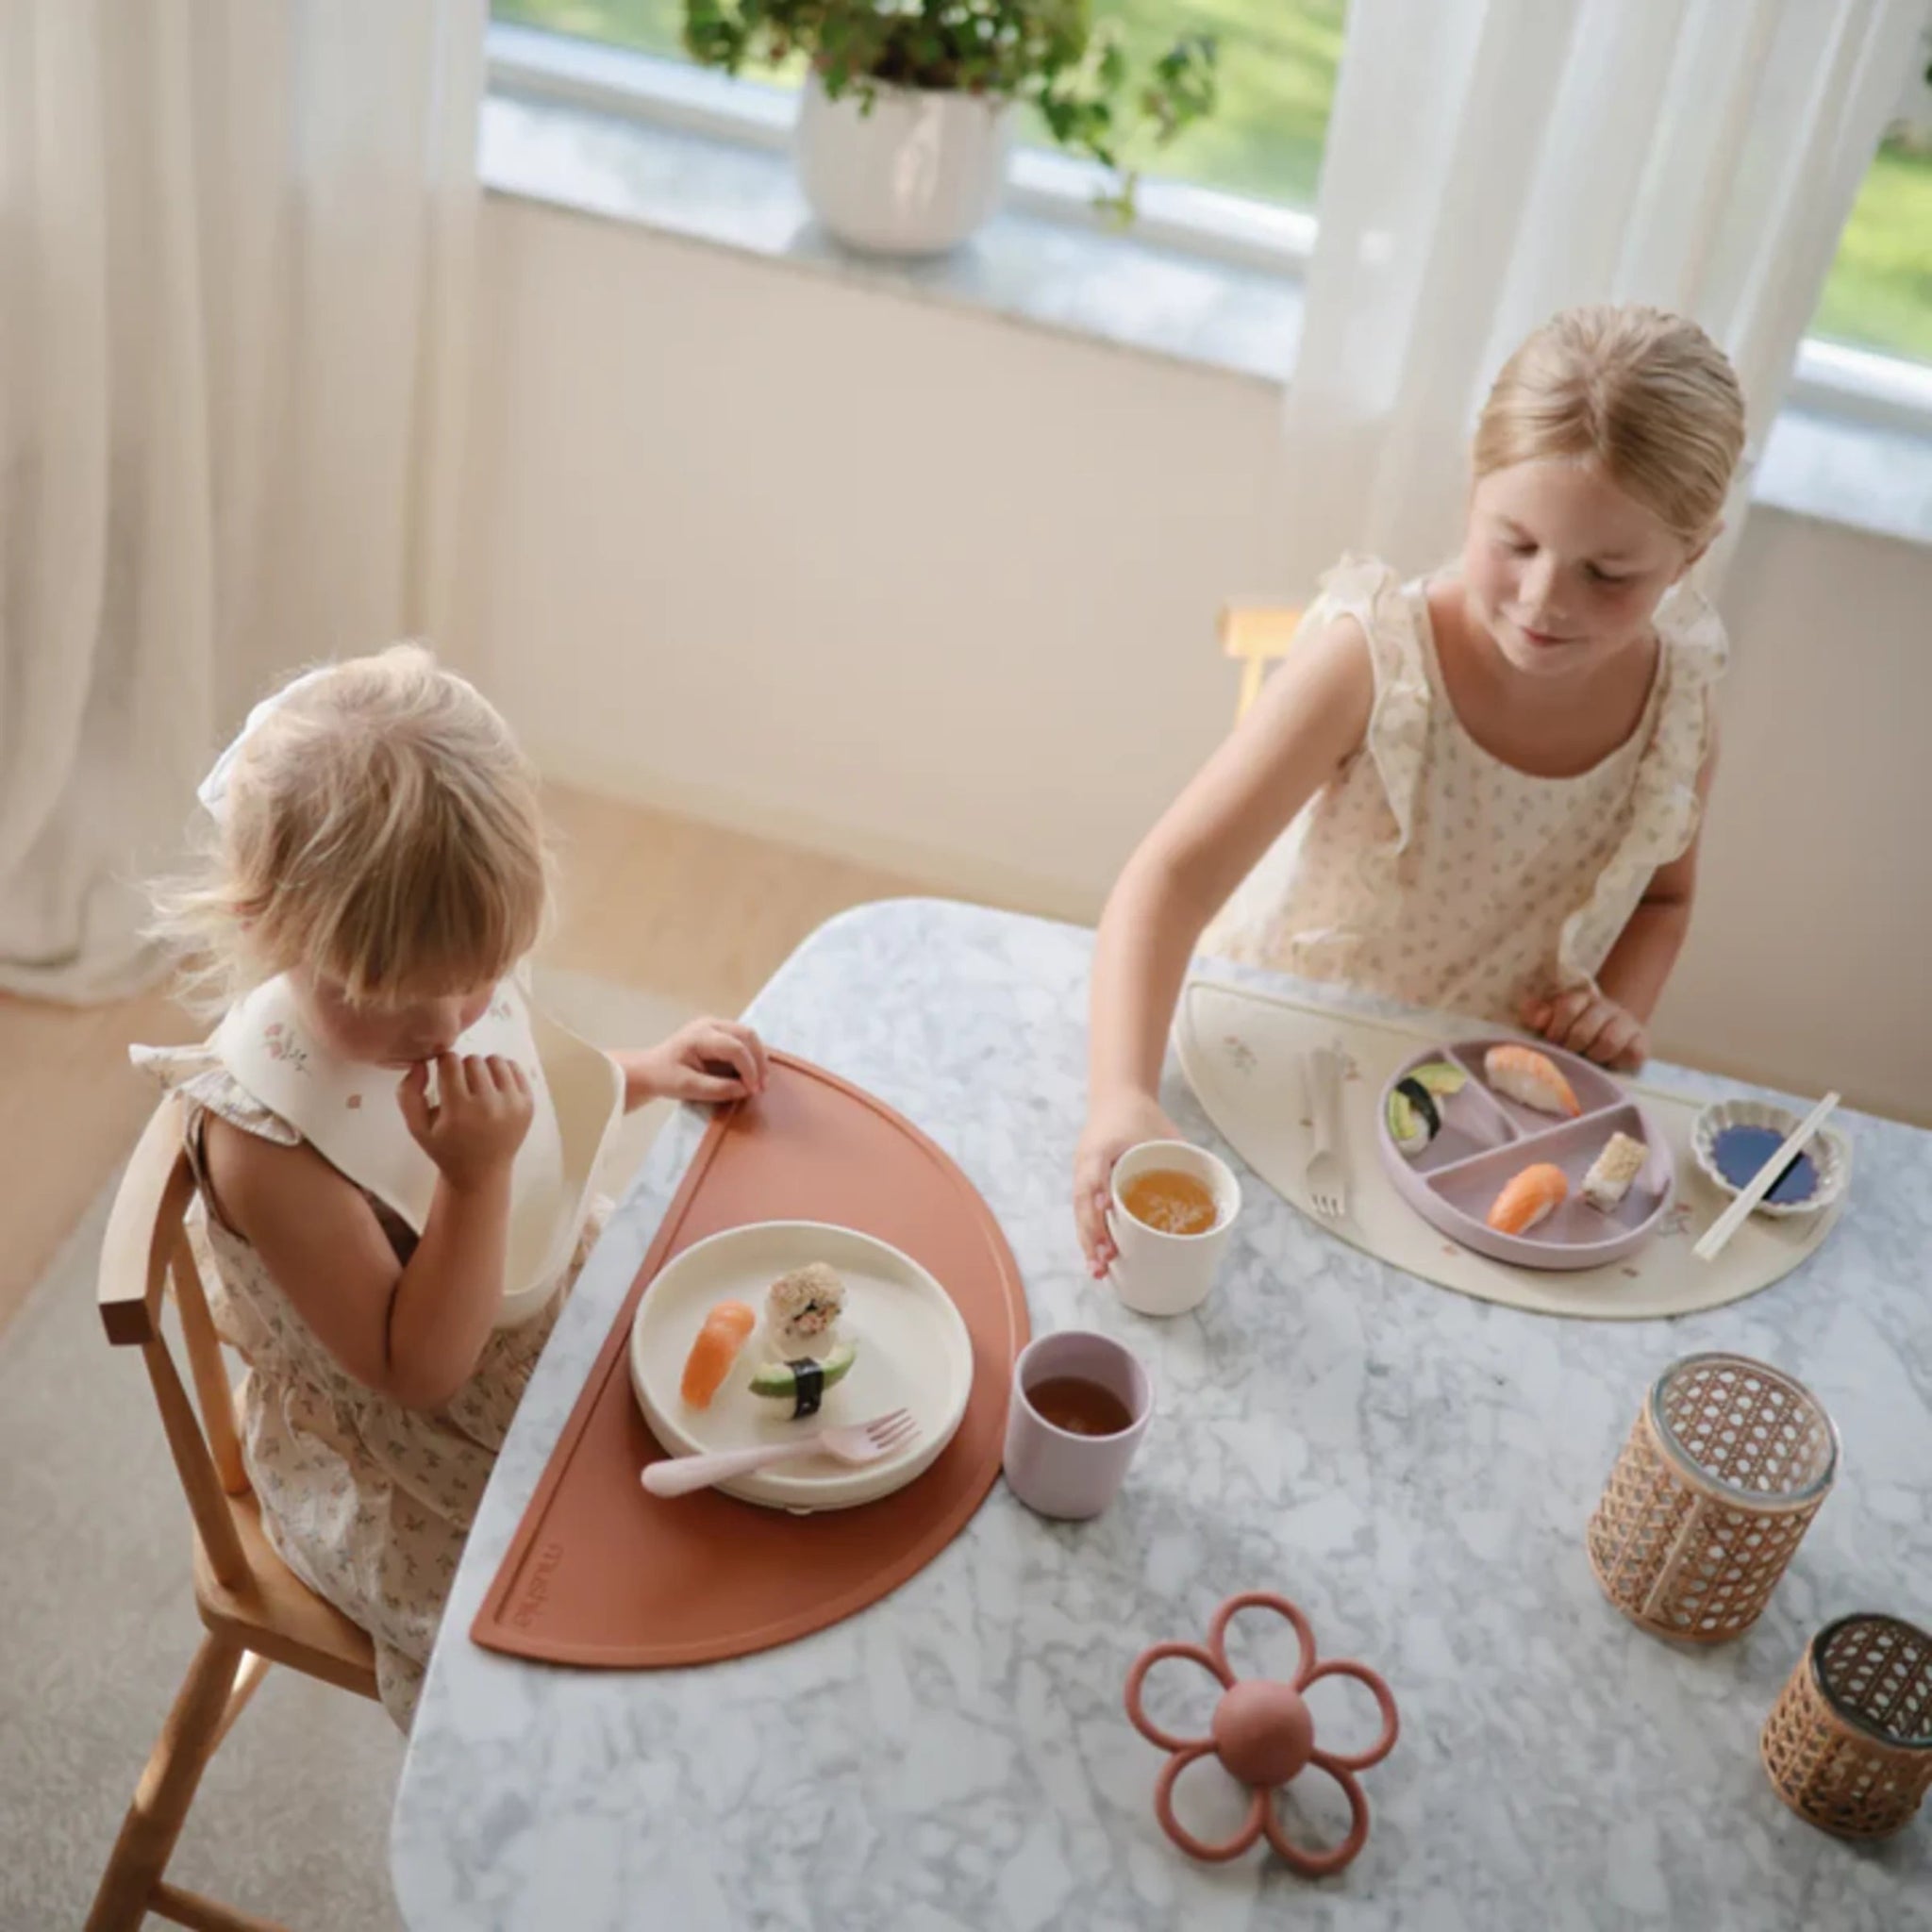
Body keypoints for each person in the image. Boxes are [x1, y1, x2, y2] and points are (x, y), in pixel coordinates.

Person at [135, 644, 768, 1726]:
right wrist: (472, 1183)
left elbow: (517, 1087)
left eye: (474, 981)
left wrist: (647, 1068)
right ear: (271, 927)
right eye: (389, 998)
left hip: (538, 1293)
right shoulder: (267, 1146)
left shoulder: (439, 974)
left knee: (736, 1471)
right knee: (571, 1663)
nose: (440, 1028)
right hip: (410, 1455)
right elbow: (414, 1368)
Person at [1075, 305, 1746, 1275]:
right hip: (1280, 1068)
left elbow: (1664, 897)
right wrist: (1120, 1097)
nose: (1544, 598)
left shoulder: (1678, 706)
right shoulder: (1373, 661)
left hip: (1474, 1130)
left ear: (1689, 556)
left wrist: (1612, 1009)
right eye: (1514, 543)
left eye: (1606, 572)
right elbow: (1166, 881)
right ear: (1473, 491)